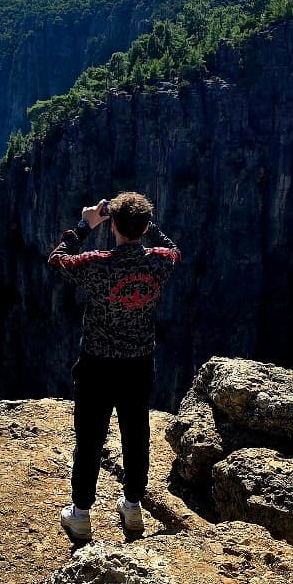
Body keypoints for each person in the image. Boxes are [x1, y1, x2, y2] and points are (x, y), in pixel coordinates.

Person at [47, 190, 180, 544]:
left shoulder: (99, 264)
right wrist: (148, 227)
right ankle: (133, 506)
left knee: (90, 438)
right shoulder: (159, 263)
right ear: (145, 227)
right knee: (136, 436)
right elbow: (173, 249)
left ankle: (81, 514)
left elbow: (58, 260)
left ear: (113, 227)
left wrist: (86, 223)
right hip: (138, 365)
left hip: (98, 366)